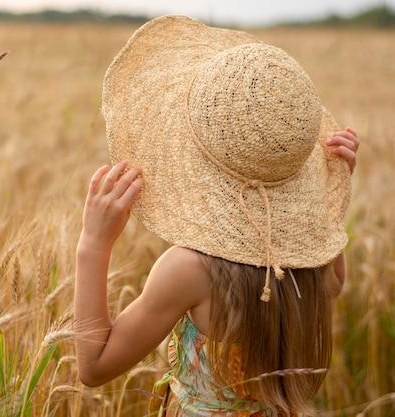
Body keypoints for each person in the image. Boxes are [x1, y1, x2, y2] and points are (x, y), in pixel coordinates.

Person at [74, 15, 360, 417]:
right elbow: (334, 283)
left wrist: (93, 244)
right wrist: (329, 197)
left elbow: (94, 367)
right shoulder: (309, 262)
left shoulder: (190, 270)